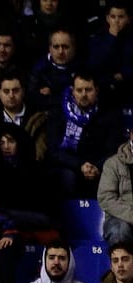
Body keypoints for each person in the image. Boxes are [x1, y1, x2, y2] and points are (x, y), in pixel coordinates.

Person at [45, 71, 124, 199]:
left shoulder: (110, 114)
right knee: (66, 177)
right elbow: (53, 150)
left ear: (96, 90)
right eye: (79, 90)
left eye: (88, 90)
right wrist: (80, 165)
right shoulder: (58, 113)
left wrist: (96, 167)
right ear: (72, 91)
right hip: (67, 166)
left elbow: (113, 149)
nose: (83, 95)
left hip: (98, 166)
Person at [0, 75, 48, 161]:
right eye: (6, 91)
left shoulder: (37, 117)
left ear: (23, 91)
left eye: (15, 91)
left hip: (28, 169)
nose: (11, 95)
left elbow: (39, 150)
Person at [28, 28, 78, 112]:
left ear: (73, 48)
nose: (60, 51)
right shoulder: (39, 70)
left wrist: (53, 95)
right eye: (56, 47)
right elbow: (34, 100)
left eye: (65, 47)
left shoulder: (81, 68)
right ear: (50, 48)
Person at [98, 126, 133, 247]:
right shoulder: (112, 164)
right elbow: (106, 198)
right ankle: (120, 265)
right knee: (120, 230)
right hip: (119, 217)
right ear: (131, 135)